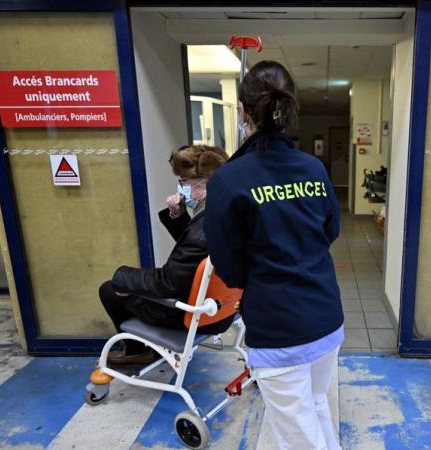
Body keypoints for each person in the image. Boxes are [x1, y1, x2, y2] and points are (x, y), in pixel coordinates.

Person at [204, 61, 344, 450]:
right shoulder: (313, 169)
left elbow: (228, 266)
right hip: (326, 318)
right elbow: (330, 231)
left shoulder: (229, 180)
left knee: (297, 435)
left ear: (243, 112)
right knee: (315, 405)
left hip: (278, 327)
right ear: (290, 107)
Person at [99, 144, 232, 366]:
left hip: (194, 315)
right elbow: (195, 251)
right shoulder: (226, 213)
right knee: (131, 284)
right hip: (222, 309)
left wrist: (121, 276)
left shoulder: (203, 229)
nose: (181, 188)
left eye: (185, 182)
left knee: (110, 290)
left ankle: (137, 351)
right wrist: (177, 215)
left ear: (205, 182)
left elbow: (168, 283)